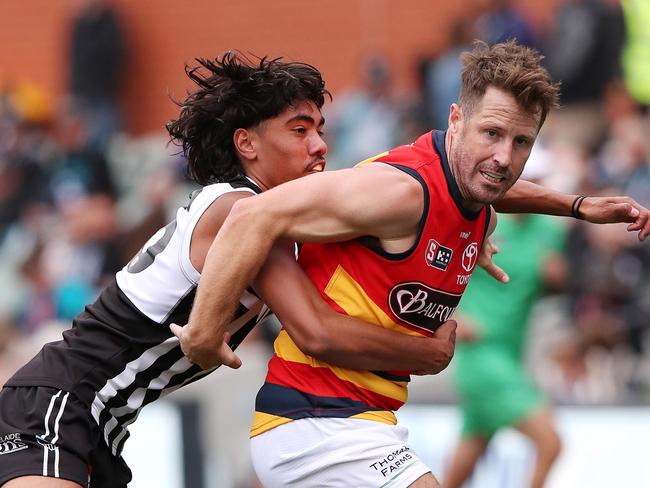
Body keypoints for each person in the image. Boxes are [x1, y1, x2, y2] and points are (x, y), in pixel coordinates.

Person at [174, 40, 650, 488]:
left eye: (522, 142)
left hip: (362, 420)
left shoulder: (466, 192)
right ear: (456, 119)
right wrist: (203, 331)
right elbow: (250, 214)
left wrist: (577, 205)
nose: (504, 157)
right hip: (315, 422)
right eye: (492, 133)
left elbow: (494, 186)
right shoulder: (399, 192)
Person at [0, 53, 462, 488]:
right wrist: (424, 354)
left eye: (320, 129)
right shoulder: (242, 212)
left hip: (100, 421)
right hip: (57, 402)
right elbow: (316, 332)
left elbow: (411, 197)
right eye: (299, 130)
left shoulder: (268, 218)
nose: (319, 144)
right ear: (247, 143)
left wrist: (464, 225)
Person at [443, 146, 567, 488]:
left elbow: (557, 282)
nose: (534, 187)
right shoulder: (485, 219)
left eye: (540, 180)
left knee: (466, 458)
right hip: (481, 355)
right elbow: (437, 266)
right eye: (529, 179)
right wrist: (449, 317)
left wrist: (559, 277)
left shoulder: (549, 232)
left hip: (511, 354)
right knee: (551, 441)